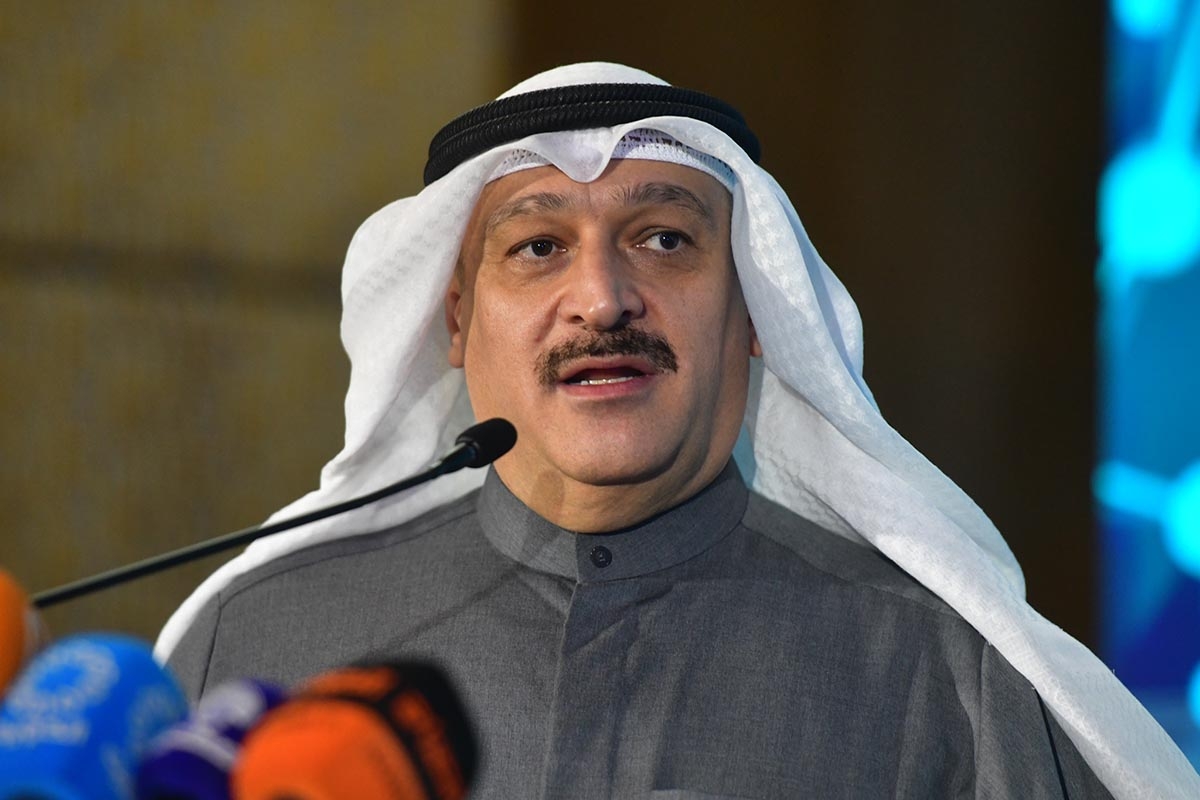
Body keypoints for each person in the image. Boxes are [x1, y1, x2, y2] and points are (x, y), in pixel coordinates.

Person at [157, 63, 1199, 798]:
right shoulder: (251, 643)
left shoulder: (941, 672)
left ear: (753, 314)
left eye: (663, 239)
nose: (603, 297)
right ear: (456, 319)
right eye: (537, 247)